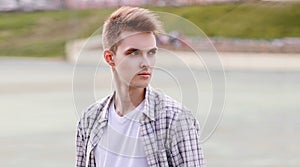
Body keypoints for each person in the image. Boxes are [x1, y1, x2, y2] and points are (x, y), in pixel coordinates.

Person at [76, 6, 205, 167]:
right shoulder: (89, 119)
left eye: (151, 53)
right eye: (134, 53)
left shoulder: (175, 120)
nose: (146, 63)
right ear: (110, 58)